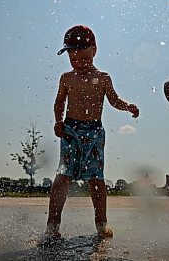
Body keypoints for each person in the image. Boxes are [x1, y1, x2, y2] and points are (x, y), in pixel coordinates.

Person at [43, 24, 139, 241]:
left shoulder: (103, 78)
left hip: (94, 132)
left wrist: (128, 107)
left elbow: (114, 100)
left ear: (94, 51)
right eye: (73, 59)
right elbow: (59, 102)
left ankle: (101, 223)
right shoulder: (67, 78)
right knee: (63, 176)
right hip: (71, 131)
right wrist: (58, 122)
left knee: (96, 179)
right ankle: (52, 226)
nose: (78, 64)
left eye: (84, 59)